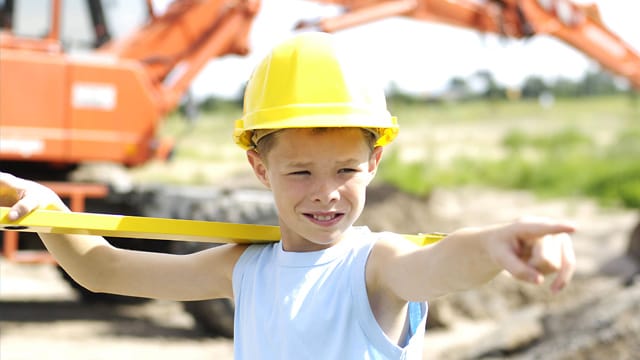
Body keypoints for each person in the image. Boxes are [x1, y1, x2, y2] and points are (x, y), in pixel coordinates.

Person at [0, 32, 576, 359]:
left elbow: (442, 263)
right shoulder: (245, 268)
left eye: (346, 169)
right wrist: (52, 214)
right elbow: (107, 272)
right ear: (258, 167)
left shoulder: (374, 267)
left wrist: (498, 244)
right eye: (299, 173)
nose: (326, 193)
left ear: (375, 162)